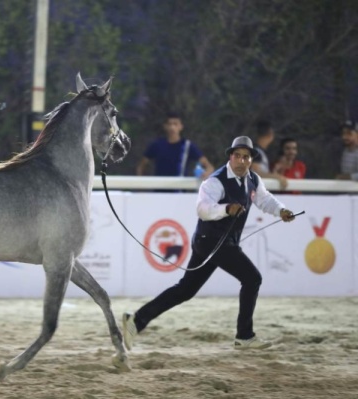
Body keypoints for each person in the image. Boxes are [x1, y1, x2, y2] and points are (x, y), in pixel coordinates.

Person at [123, 136, 296, 351]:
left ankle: (137, 320)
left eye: (246, 157)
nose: (241, 161)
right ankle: (244, 336)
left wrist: (281, 211)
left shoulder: (253, 179)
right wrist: (226, 209)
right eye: (237, 156)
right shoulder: (215, 181)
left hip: (221, 242)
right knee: (252, 279)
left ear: (251, 160)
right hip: (211, 241)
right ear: (230, 157)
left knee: (185, 290)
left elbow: (264, 199)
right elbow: (203, 210)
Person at [137, 113, 214, 179]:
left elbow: (209, 167)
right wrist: (141, 185)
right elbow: (141, 166)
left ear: (181, 127)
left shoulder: (187, 146)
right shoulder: (157, 145)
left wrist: (205, 174)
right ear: (165, 126)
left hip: (179, 192)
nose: (172, 127)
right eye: (169, 124)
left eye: (175, 124)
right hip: (159, 192)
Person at [251, 120, 288, 189]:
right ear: (271, 134)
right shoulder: (256, 152)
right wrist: (277, 177)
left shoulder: (259, 151)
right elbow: (255, 173)